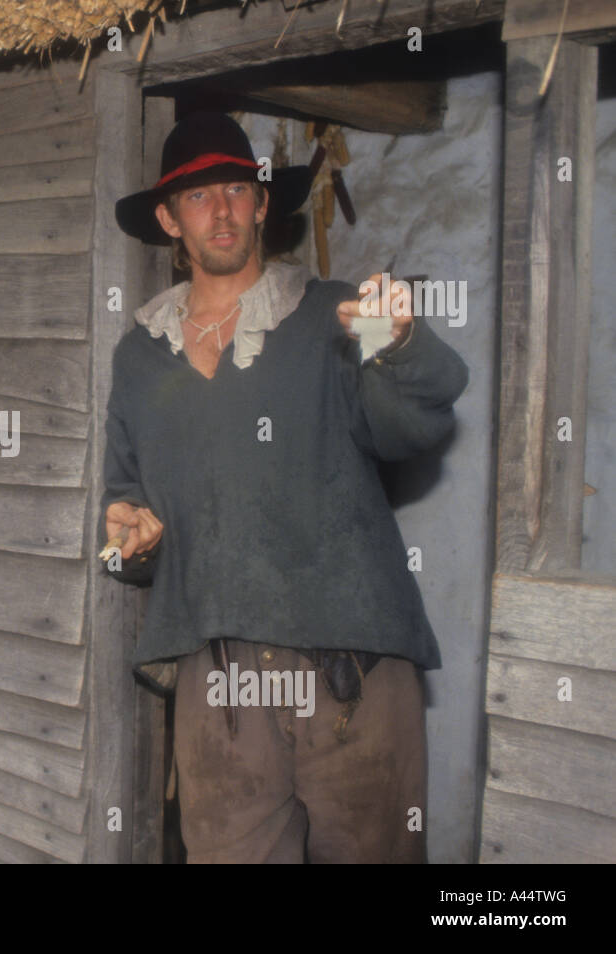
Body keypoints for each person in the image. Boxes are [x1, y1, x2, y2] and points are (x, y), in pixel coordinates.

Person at [101, 112, 469, 863]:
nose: (224, 210)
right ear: (170, 219)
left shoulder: (332, 317)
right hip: (219, 683)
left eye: (238, 189)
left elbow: (419, 420)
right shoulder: (139, 358)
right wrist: (130, 540)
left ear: (264, 204)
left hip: (353, 673)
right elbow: (124, 509)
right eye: (199, 197)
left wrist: (395, 340)